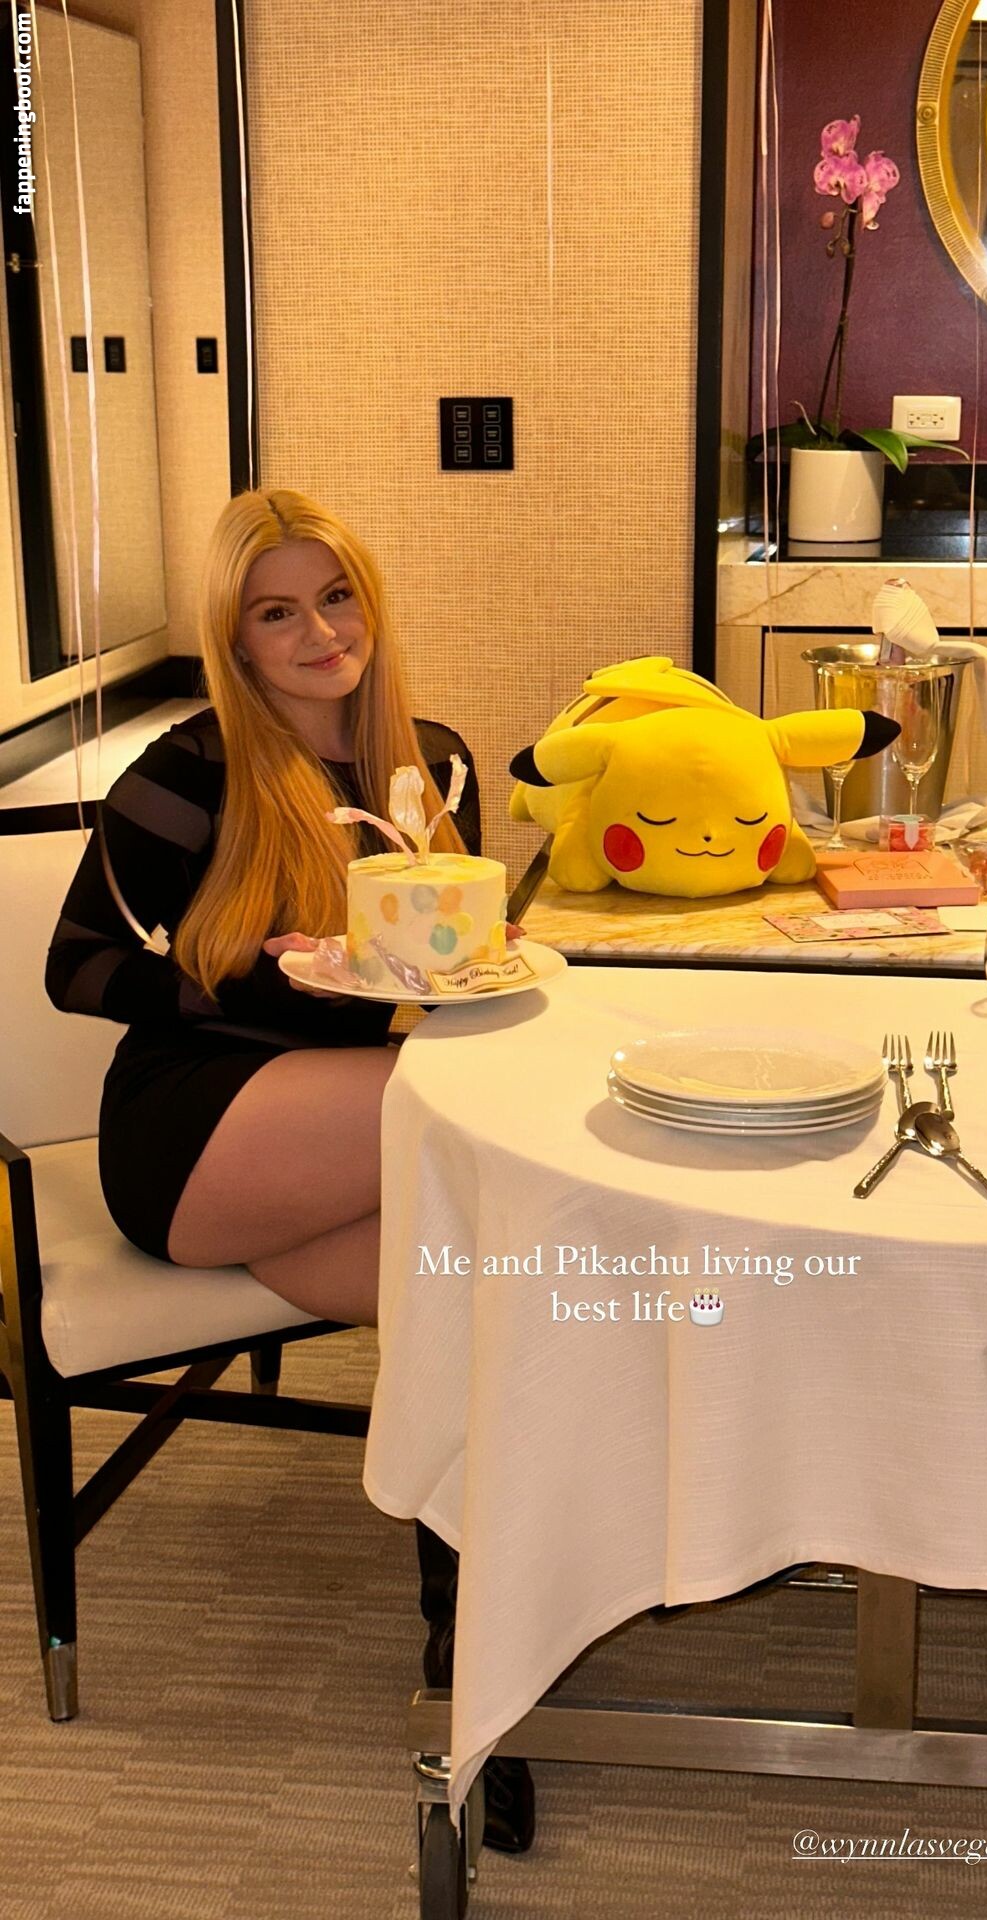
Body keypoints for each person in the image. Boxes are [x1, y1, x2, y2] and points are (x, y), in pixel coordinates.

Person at [45, 485, 534, 1852]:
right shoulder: (191, 773)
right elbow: (75, 966)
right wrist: (246, 979)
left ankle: (469, 1650)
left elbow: (443, 962)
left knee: (477, 1292)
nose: (320, 632)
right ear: (236, 637)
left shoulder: (432, 762)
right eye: (278, 613)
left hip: (322, 1144)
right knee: (473, 1117)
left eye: (335, 596)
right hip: (192, 1133)